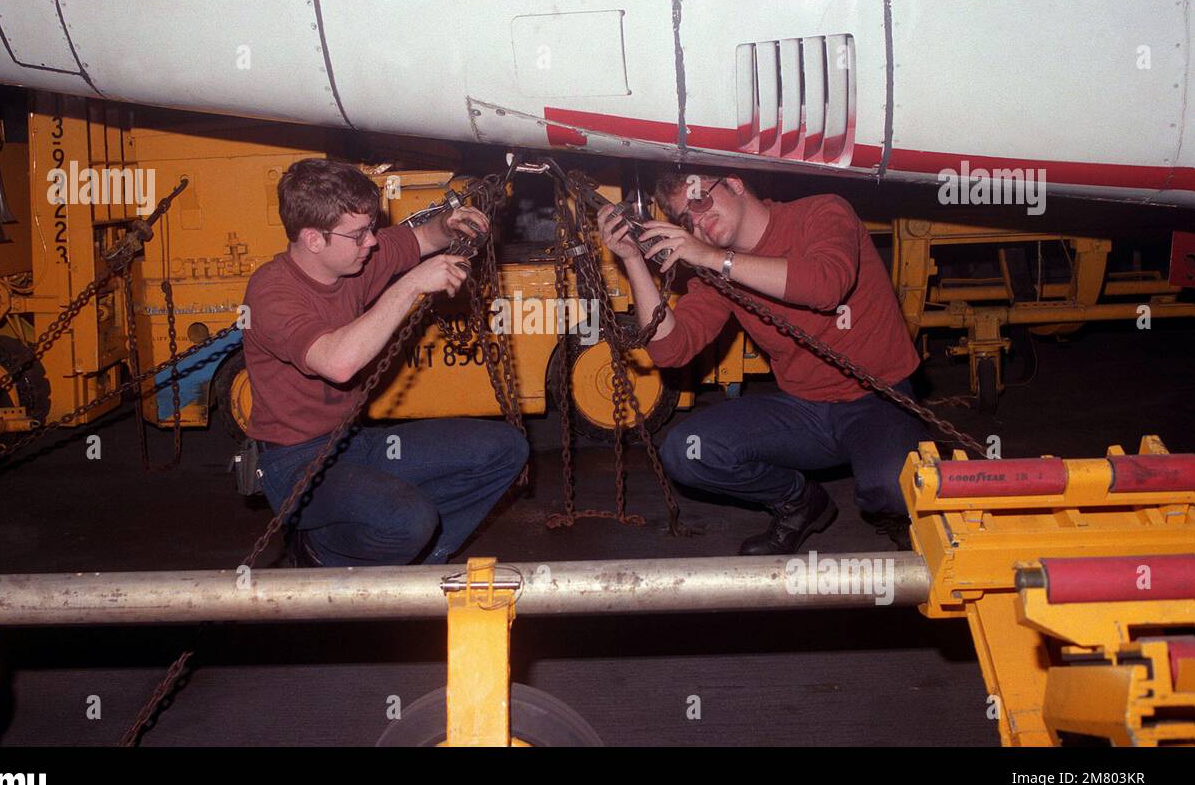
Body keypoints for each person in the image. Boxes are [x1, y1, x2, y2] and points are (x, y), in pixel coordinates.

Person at [598, 172, 925, 554]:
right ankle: (800, 503)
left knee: (891, 486)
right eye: (685, 219)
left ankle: (893, 515)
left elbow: (826, 285)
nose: (698, 222)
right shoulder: (714, 268)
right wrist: (633, 260)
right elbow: (672, 350)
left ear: (735, 184)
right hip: (805, 412)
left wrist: (712, 257)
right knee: (687, 450)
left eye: (700, 201)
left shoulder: (823, 212)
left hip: (878, 400)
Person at [242, 158, 529, 567]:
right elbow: (338, 363)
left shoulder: (352, 259)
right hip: (296, 465)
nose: (372, 242)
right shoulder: (271, 293)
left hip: (356, 444)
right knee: (407, 518)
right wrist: (411, 285)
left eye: (371, 229)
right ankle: (324, 553)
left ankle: (425, 552)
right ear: (313, 239)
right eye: (359, 234)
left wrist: (451, 225)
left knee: (505, 448)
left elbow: (420, 238)